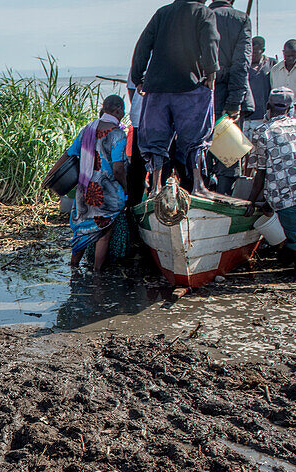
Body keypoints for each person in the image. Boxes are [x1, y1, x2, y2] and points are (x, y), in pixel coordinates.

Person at [130, 0, 220, 197]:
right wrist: (211, 73)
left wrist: (138, 77)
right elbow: (210, 41)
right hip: (190, 87)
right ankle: (198, 185)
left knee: (156, 140)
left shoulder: (162, 13)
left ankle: (155, 187)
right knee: (195, 139)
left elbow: (143, 43)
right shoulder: (204, 13)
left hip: (157, 89)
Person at [245, 87, 296, 290]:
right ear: (290, 108)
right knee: (294, 231)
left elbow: (260, 173)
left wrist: (251, 201)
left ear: (268, 106)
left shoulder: (262, 132)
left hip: (288, 194)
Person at [66, 95, 129, 271]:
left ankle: (73, 267)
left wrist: (49, 177)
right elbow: (117, 169)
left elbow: (70, 153)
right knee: (103, 232)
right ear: (117, 110)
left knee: (82, 230)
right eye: (122, 111)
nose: (123, 114)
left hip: (85, 189)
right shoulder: (118, 134)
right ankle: (97, 272)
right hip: (106, 192)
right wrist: (125, 188)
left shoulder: (87, 129)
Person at [208, 0, 253, 195]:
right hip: (226, 97)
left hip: (203, 97)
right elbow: (241, 63)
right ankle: (223, 197)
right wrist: (234, 102)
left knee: (202, 152)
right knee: (228, 156)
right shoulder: (240, 19)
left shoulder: (201, 15)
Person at [126, 70, 148, 208]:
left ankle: (134, 204)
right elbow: (131, 87)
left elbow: (131, 88)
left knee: (138, 168)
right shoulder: (142, 61)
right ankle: (135, 206)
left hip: (140, 119)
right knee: (138, 167)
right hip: (142, 121)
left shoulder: (141, 60)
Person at [246, 36, 273, 136]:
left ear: (263, 50)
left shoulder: (271, 64)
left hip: (262, 116)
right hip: (246, 115)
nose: (252, 55)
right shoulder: (243, 64)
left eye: (255, 52)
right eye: (250, 52)